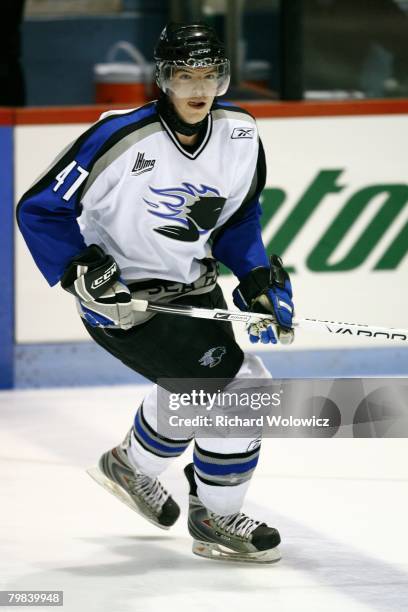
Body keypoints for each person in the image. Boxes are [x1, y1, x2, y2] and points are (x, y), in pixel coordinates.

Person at [17, 22, 294, 563]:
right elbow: (41, 209)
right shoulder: (120, 137)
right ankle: (215, 515)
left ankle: (131, 466)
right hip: (125, 302)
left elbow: (237, 219)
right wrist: (78, 272)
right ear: (163, 78)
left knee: (197, 388)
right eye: (185, 75)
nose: (199, 89)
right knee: (241, 391)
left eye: (210, 76)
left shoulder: (240, 132)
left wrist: (256, 278)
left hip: (195, 290)